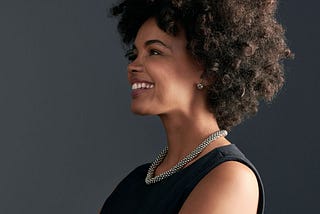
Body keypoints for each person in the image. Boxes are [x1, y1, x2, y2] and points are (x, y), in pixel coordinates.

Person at [101, 0, 292, 213]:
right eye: (133, 54)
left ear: (208, 70)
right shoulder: (135, 181)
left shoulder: (230, 178)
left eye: (154, 51)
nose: (133, 66)